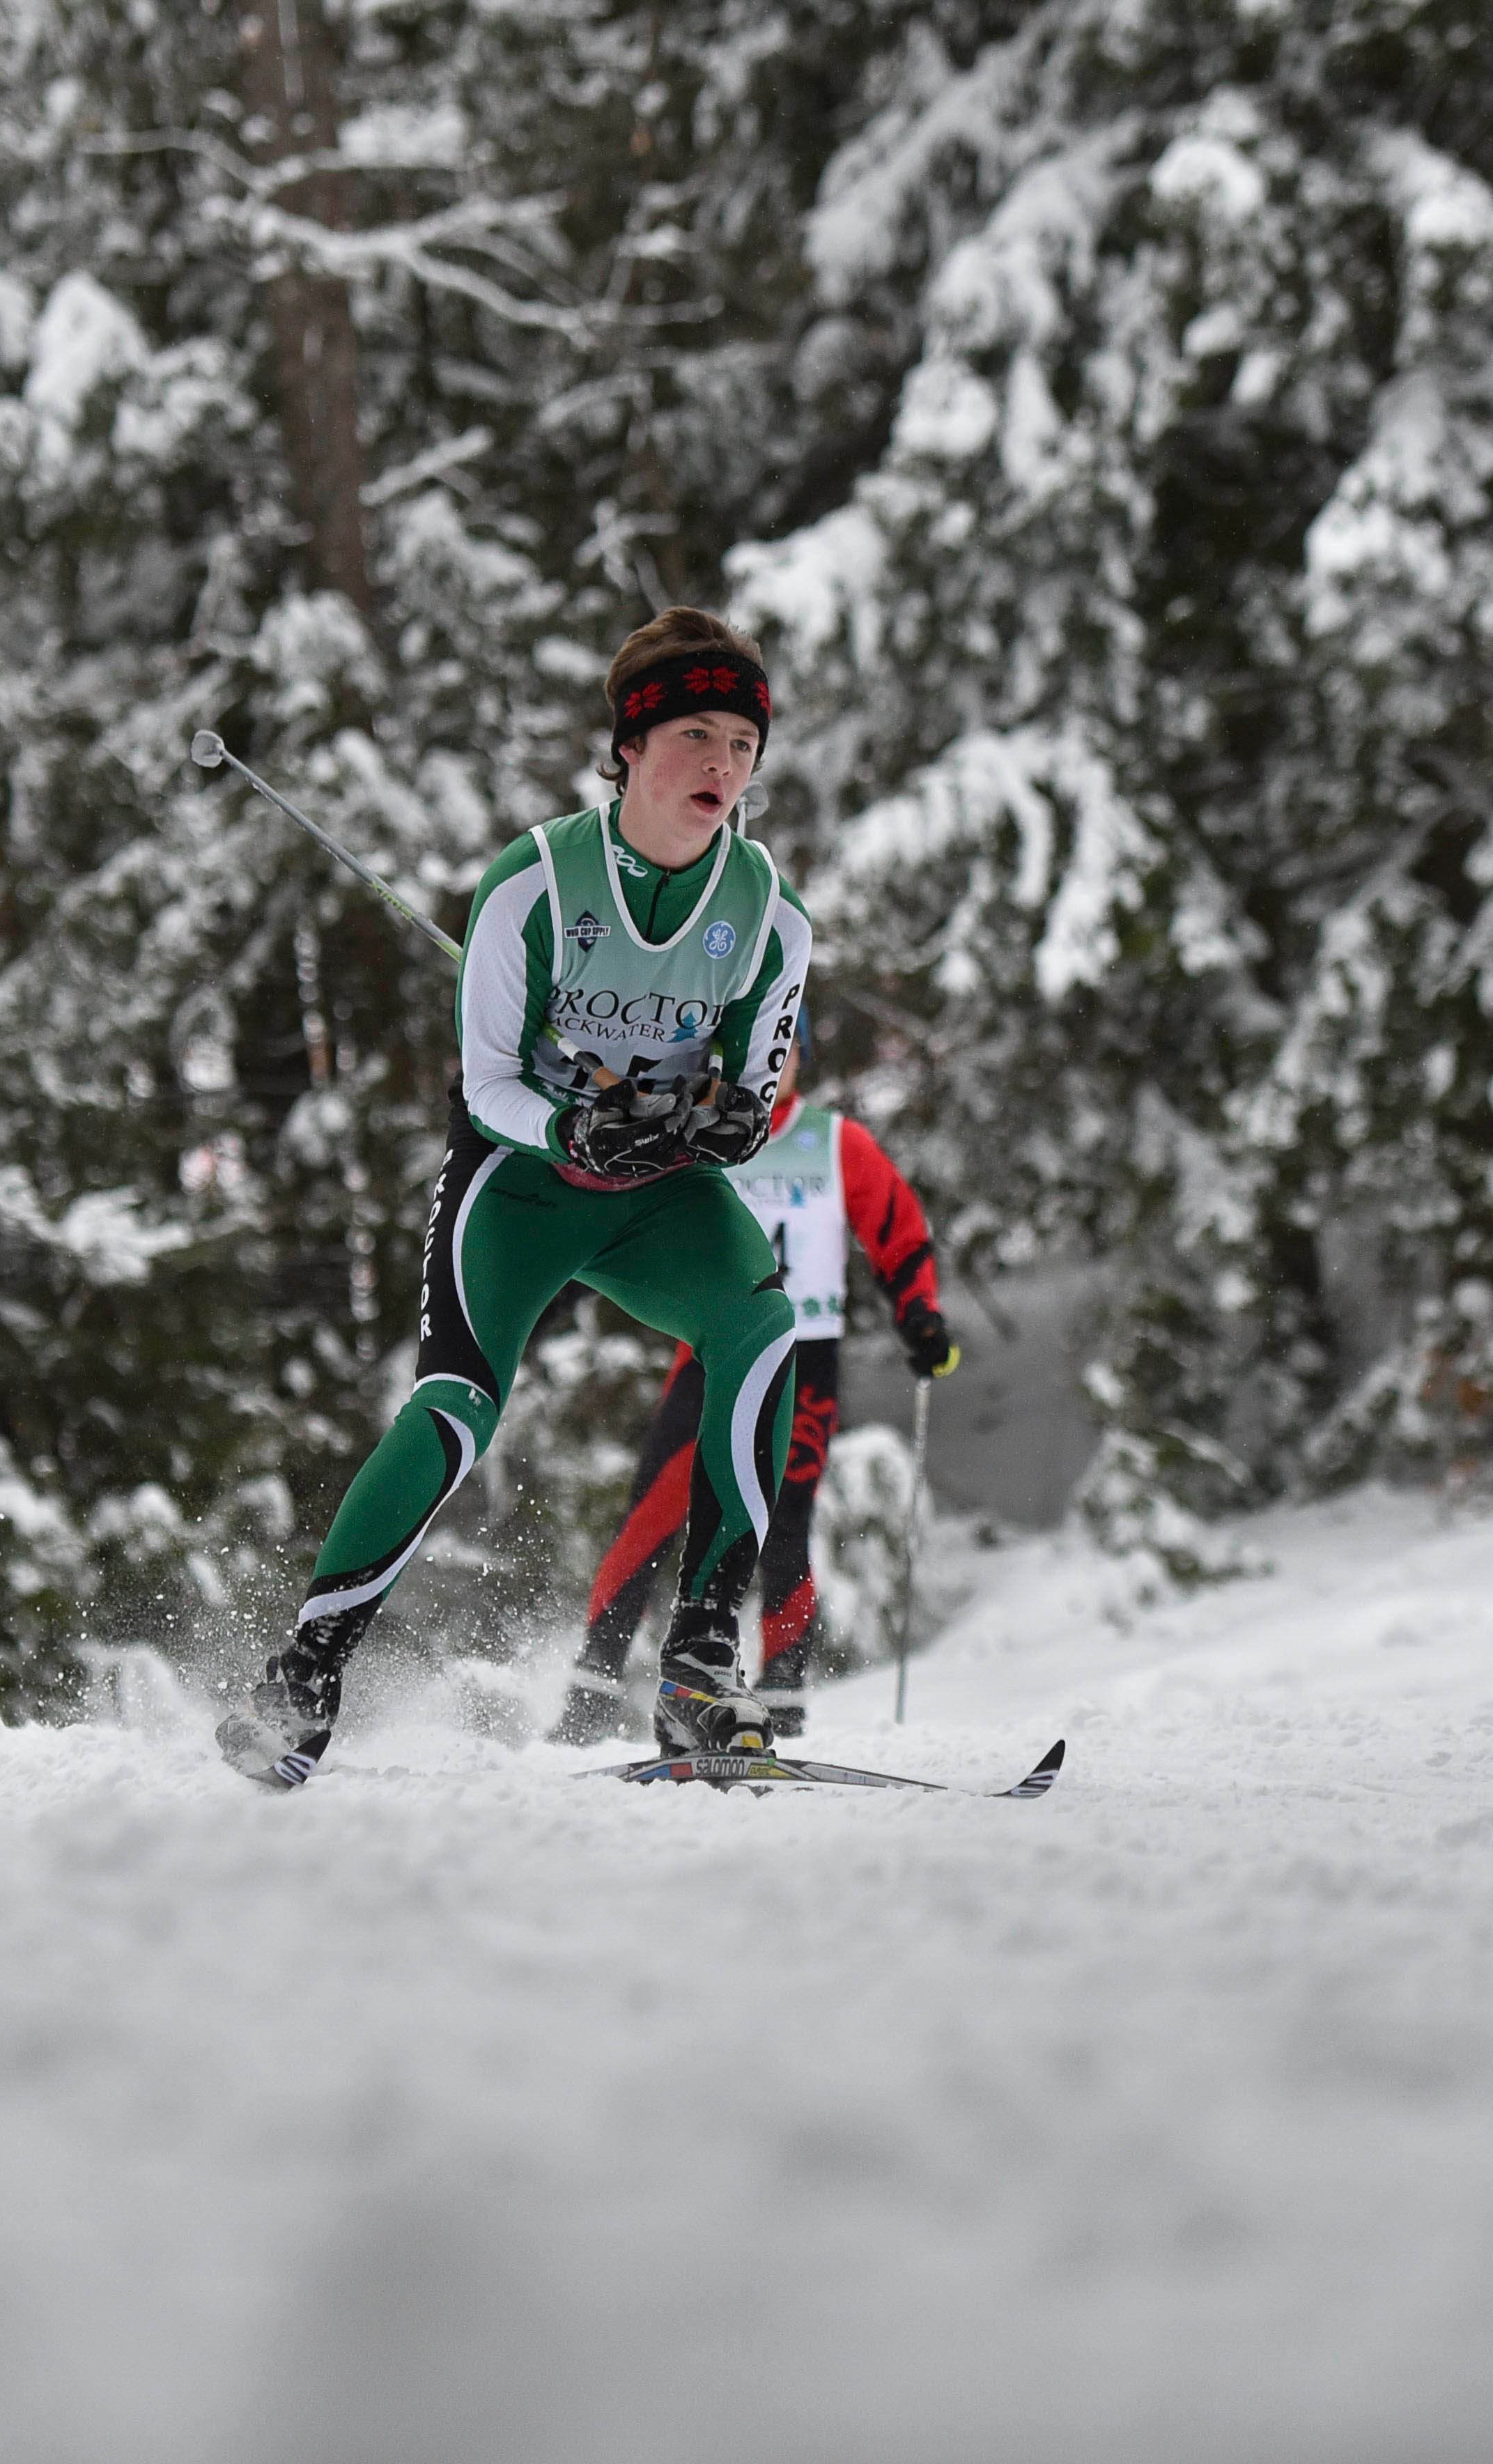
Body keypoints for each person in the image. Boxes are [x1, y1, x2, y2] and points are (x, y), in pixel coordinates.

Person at [217, 608, 812, 1789]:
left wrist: (737, 1115)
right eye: (694, 734)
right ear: (629, 748)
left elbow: (758, 1084)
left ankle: (698, 1664)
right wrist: (572, 1123)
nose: (722, 765)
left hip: (660, 1196)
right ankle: (306, 1672)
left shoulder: (769, 912)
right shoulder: (533, 883)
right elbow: (487, 1082)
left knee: (761, 1328)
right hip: (523, 1179)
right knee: (455, 1402)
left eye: (742, 743)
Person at [549, 1076, 957, 1746]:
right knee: (653, 1512)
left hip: (805, 1355)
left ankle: (782, 1702)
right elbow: (630, 1206)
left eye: (789, 1044)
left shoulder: (834, 1142)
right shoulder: (704, 1127)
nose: (776, 1059)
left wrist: (919, 1316)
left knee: (783, 1518)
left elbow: (898, 1229)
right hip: (715, 1348)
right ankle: (591, 1692)